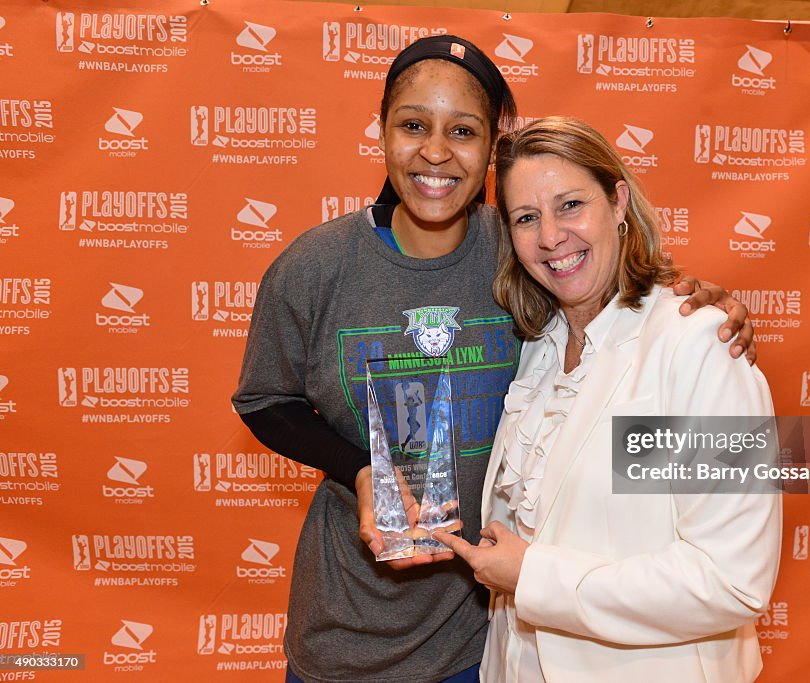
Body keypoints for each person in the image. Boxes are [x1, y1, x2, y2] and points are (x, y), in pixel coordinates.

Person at [232, 36, 758, 683]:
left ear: (617, 202)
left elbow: (730, 560)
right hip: (414, 643)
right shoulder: (540, 338)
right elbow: (266, 400)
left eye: (462, 130)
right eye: (413, 125)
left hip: (481, 640)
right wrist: (361, 468)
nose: (549, 237)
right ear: (383, 131)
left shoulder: (672, 336)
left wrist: (701, 315)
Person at [435, 117, 781, 682]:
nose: (550, 236)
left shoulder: (697, 347)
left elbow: (730, 579)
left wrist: (535, 577)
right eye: (526, 218)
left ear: (618, 201)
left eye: (570, 205)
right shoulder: (536, 352)